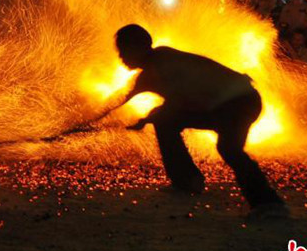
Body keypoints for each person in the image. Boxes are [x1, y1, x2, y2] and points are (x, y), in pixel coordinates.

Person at [111, 24, 284, 213]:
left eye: (123, 51)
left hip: (240, 102)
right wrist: (80, 122)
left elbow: (180, 98)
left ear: (139, 48)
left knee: (229, 148)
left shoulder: (166, 61)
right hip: (215, 107)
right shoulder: (148, 74)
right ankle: (186, 181)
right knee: (164, 121)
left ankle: (267, 202)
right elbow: (116, 103)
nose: (121, 57)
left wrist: (150, 117)